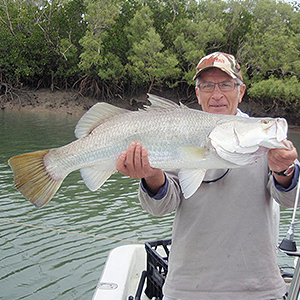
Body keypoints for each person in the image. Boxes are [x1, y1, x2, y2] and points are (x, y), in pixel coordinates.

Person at [116, 52, 299, 300]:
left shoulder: (262, 138)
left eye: (225, 84)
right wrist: (150, 175)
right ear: (197, 92)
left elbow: (290, 199)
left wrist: (283, 170)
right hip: (187, 289)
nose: (217, 94)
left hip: (257, 289)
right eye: (208, 86)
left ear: (241, 91)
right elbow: (160, 206)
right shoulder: (176, 131)